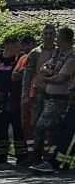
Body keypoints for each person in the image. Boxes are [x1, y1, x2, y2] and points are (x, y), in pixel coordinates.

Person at [31, 27, 75, 163]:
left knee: (47, 128)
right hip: (49, 98)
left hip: (60, 99)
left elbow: (62, 78)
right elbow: (43, 68)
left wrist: (47, 78)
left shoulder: (72, 57)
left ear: (63, 39)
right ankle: (43, 158)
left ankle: (48, 159)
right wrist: (51, 73)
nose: (55, 39)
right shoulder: (58, 55)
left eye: (57, 36)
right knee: (43, 128)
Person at [0, 35, 27, 165]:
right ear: (8, 45)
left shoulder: (21, 58)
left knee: (18, 127)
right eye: (16, 45)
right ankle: (0, 157)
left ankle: (22, 156)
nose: (19, 48)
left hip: (15, 98)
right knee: (1, 128)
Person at [22, 23, 56, 158]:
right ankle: (35, 154)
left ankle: (49, 155)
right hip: (39, 92)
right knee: (36, 123)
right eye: (46, 33)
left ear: (55, 35)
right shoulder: (35, 53)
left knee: (51, 125)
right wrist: (25, 95)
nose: (48, 36)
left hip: (55, 93)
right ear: (42, 35)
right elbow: (27, 76)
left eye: (51, 33)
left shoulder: (59, 52)